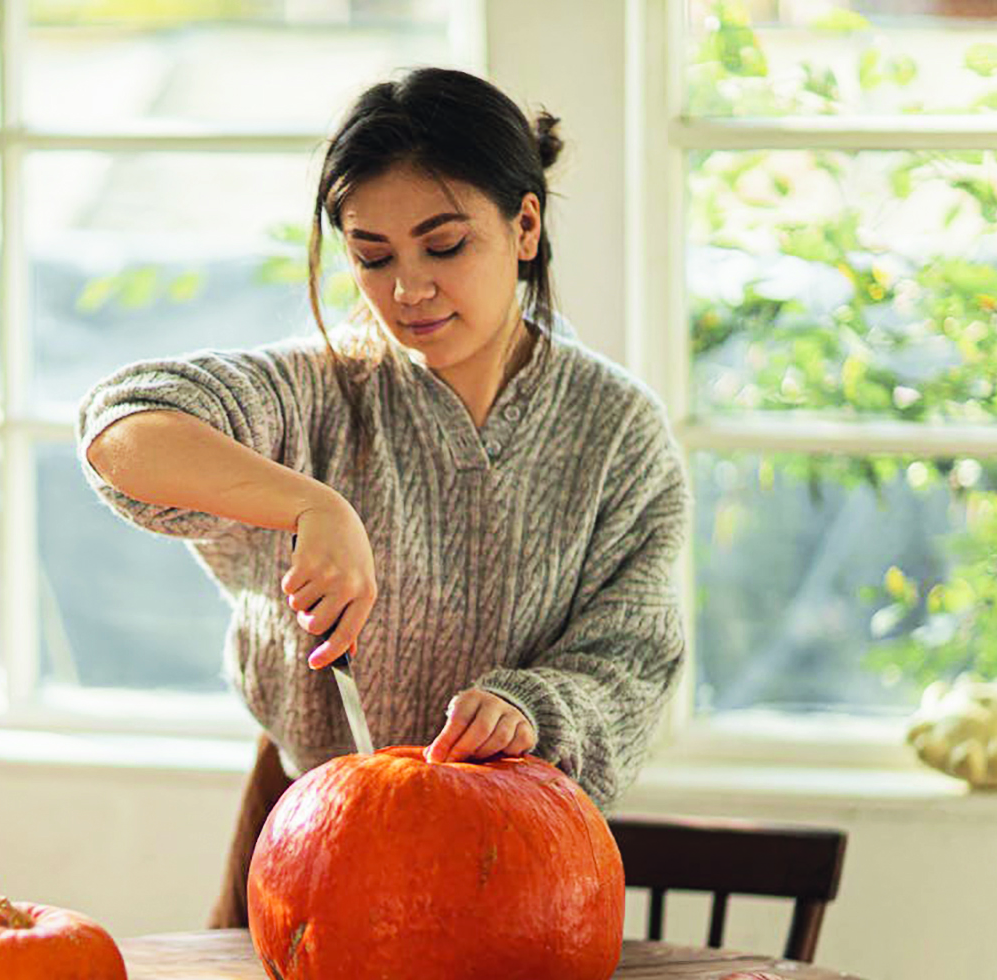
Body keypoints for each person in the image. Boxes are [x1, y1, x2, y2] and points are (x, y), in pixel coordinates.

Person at [76, 67, 690, 929]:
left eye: (443, 247)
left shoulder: (617, 428)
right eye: (372, 257)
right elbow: (120, 427)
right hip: (311, 835)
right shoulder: (316, 394)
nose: (407, 289)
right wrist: (309, 503)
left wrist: (527, 708)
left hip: (521, 859)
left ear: (524, 224)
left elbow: (631, 657)